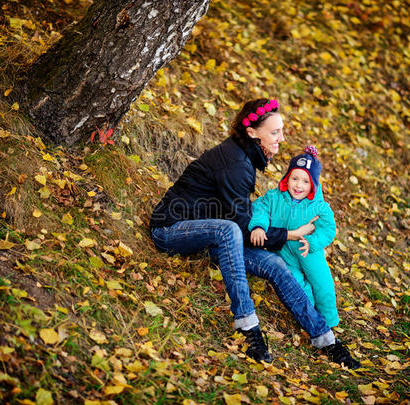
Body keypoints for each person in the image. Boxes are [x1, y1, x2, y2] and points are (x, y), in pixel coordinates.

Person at [150, 98, 359, 369]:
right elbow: (242, 225)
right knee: (228, 231)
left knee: (274, 262)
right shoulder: (234, 163)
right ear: (252, 132)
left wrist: (277, 237)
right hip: (171, 229)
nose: (281, 138)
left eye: (281, 131)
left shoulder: (244, 157)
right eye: (275, 132)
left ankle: (326, 338)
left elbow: (244, 219)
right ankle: (248, 327)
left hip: (212, 232)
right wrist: (289, 235)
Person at [249, 146, 340, 329]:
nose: (299, 185)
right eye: (295, 178)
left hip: (309, 252)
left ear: (313, 185)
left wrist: (313, 242)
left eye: (306, 181)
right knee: (296, 283)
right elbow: (260, 209)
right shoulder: (274, 197)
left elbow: (328, 228)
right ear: (287, 178)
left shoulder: (319, 207)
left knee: (322, 284)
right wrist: (258, 227)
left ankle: (329, 322)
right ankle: (311, 315)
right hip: (283, 252)